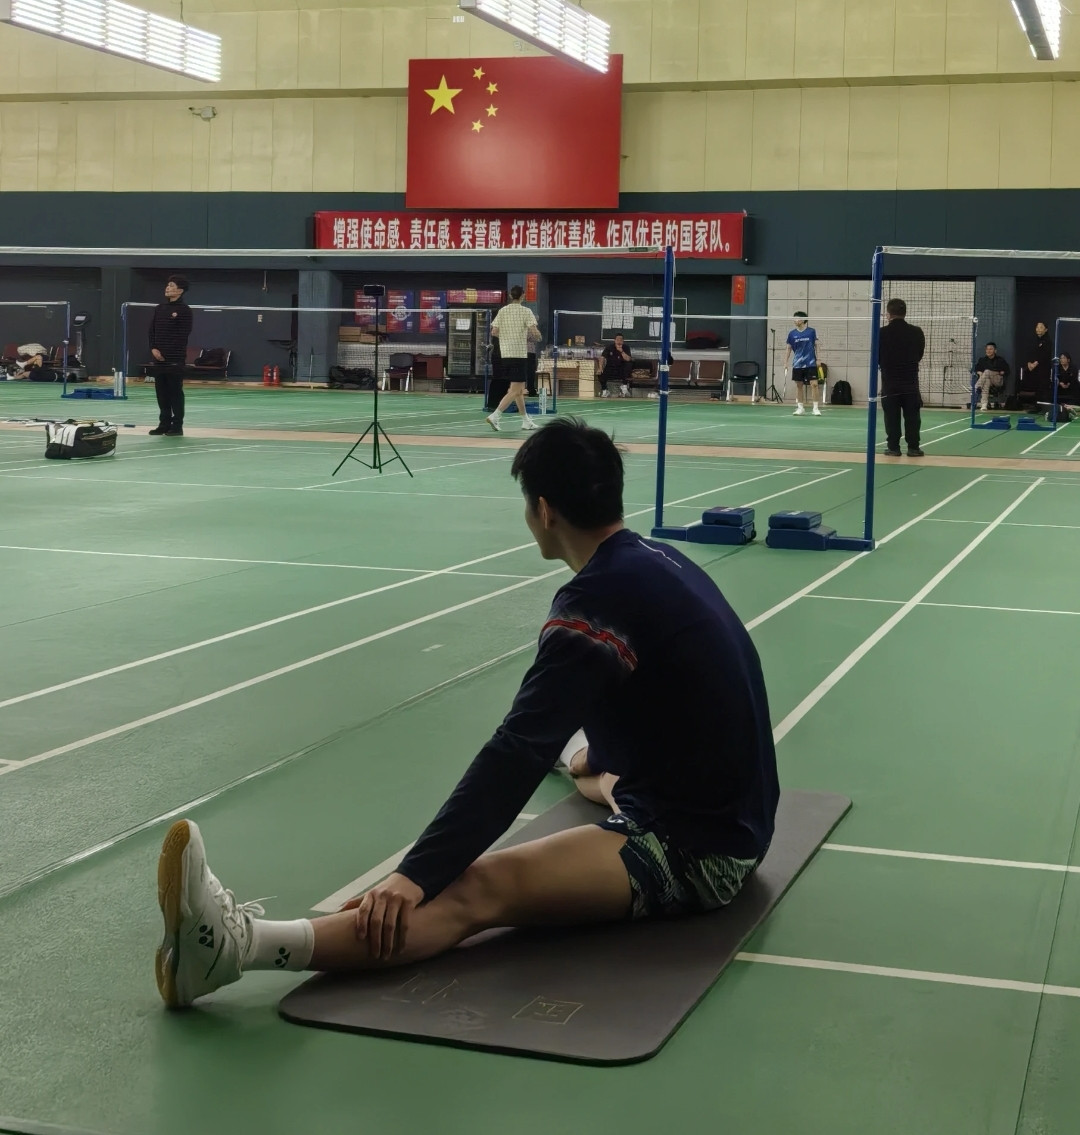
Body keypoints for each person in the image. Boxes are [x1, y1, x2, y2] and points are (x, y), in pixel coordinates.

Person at [153, 418, 780, 1008]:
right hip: (732, 809)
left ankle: (235, 949)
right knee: (595, 772)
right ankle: (581, 760)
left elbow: (517, 751)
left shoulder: (594, 606)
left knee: (476, 889)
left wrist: (417, 874)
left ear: (543, 511)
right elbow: (675, 704)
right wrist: (591, 758)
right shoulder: (656, 561)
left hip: (700, 849)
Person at [485, 285, 539, 431]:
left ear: (510, 295)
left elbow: (494, 331)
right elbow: (534, 332)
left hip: (505, 355)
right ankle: (495, 415)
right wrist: (538, 336)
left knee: (519, 390)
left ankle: (526, 421)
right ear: (523, 296)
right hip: (519, 355)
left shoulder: (502, 311)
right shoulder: (526, 311)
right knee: (515, 390)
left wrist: (507, 336)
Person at [878, 297, 925, 457]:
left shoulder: (881, 333)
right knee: (913, 417)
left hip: (890, 382)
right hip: (910, 382)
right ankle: (913, 448)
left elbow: (877, 356)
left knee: (891, 417)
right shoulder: (916, 332)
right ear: (905, 313)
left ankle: (893, 447)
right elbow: (919, 354)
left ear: (888, 314)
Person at [148, 275, 193, 437]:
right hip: (158, 359)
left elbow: (182, 335)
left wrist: (166, 353)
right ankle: (164, 424)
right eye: (167, 285)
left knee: (175, 392)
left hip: (174, 359)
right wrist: (153, 348)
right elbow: (152, 331)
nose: (168, 288)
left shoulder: (184, 310)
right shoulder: (159, 308)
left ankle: (177, 425)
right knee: (161, 393)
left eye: (172, 285)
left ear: (180, 290)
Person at [785, 311, 822, 416]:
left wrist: (819, 359)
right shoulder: (792, 334)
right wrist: (785, 362)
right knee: (799, 385)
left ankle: (815, 408)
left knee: (814, 384)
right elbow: (788, 348)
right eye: (794, 318)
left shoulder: (811, 332)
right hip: (797, 364)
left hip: (810, 363)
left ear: (803, 320)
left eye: (797, 318)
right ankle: (800, 408)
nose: (795, 320)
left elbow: (817, 345)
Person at [1020, 320, 1053, 409]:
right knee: (1034, 387)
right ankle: (1034, 406)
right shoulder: (1032, 340)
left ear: (1046, 329)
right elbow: (1028, 352)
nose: (1038, 329)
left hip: (1043, 369)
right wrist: (1028, 363)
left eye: (1041, 327)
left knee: (1042, 388)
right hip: (1032, 369)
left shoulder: (1048, 341)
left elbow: (1044, 354)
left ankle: (1043, 407)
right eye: (1037, 327)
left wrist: (1035, 363)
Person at [972, 342, 1010, 411]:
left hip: (997, 380)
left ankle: (977, 387)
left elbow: (1007, 370)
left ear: (995, 351)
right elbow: (974, 369)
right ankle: (984, 405)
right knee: (987, 382)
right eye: (987, 349)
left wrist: (1002, 372)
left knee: (987, 371)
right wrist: (978, 372)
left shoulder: (1000, 360)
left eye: (990, 349)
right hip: (986, 379)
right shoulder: (982, 360)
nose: (988, 351)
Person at [598, 334, 632, 398]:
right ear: (615, 340)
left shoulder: (626, 347)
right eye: (617, 339)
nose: (619, 341)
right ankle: (605, 391)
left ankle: (624, 388)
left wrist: (621, 351)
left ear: (623, 341)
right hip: (610, 368)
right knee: (600, 374)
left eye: (621, 339)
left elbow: (628, 359)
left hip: (621, 369)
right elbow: (602, 357)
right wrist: (600, 368)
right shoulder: (609, 347)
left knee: (628, 365)